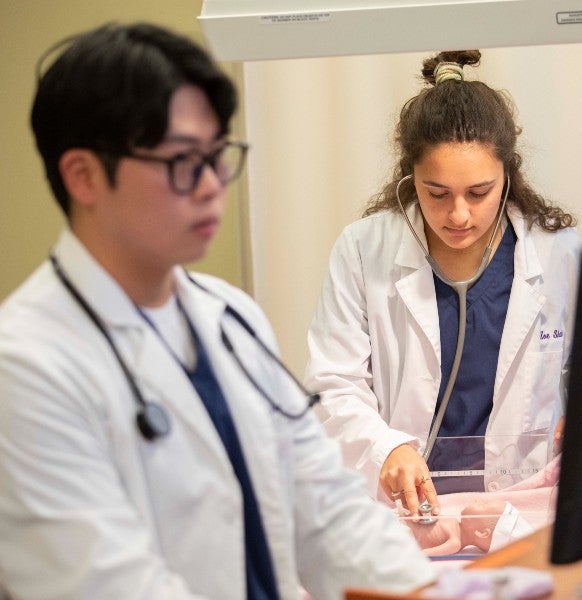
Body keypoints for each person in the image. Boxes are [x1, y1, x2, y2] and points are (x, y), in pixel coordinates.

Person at [0, 22, 434, 600]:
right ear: (82, 175)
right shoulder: (25, 367)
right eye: (182, 161)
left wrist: (424, 591)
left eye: (217, 156)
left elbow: (326, 511)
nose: (211, 187)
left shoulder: (231, 317)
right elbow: (107, 583)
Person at [304, 50, 582, 516]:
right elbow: (332, 384)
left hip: (523, 502)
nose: (458, 214)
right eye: (436, 193)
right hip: (404, 508)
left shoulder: (558, 254)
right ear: (411, 178)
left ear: (507, 177)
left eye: (479, 193)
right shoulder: (362, 249)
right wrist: (385, 449)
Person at [403, 498, 534, 557]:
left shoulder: (455, 543)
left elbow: (425, 554)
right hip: (407, 523)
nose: (477, 500)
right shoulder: (454, 523)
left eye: (483, 505)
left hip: (408, 537)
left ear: (482, 532)